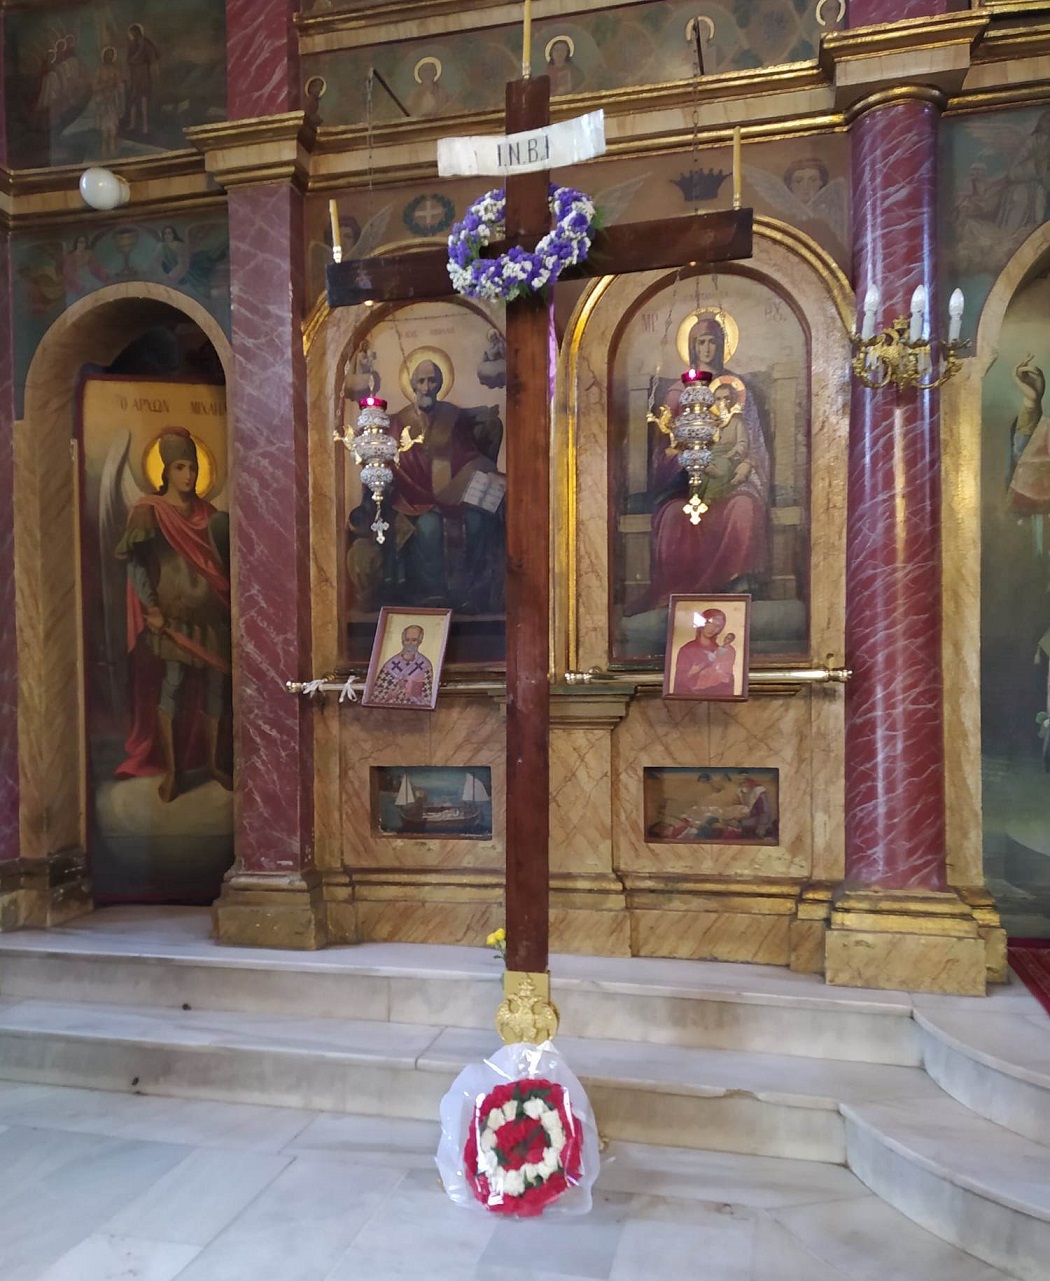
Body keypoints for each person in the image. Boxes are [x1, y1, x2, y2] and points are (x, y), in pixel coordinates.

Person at [116, 428, 231, 802]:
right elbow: (136, 564)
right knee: (174, 685)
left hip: (211, 616)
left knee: (217, 687)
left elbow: (222, 565)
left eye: (193, 468)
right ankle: (173, 771)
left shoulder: (209, 514)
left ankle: (214, 764)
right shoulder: (149, 511)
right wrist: (151, 607)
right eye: (180, 467)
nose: (189, 475)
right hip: (172, 616)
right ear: (165, 470)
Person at [629, 315, 770, 614]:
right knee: (675, 517)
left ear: (722, 345)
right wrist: (687, 462)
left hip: (730, 481)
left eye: (712, 342)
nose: (706, 348)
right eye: (701, 342)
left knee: (744, 508)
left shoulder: (737, 389)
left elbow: (752, 440)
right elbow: (665, 448)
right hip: (685, 484)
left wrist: (746, 464)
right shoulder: (677, 393)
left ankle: (735, 586)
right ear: (692, 347)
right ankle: (678, 593)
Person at [386, 357, 504, 611]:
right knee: (428, 528)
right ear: (412, 385)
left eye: (432, 381)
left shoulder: (451, 416)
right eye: (421, 381)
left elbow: (467, 453)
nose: (426, 387)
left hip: (453, 494)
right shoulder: (399, 421)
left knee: (475, 522)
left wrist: (485, 469)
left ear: (440, 384)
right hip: (414, 499)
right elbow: (394, 463)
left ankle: (468, 594)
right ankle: (431, 594)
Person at [672, 608, 738, 697]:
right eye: (711, 623)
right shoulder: (687, 650)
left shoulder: (720, 651)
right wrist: (691, 672)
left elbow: (727, 679)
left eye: (718, 626)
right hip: (691, 699)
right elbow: (679, 683)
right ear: (702, 622)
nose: (713, 629)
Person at [370, 625, 434, 706]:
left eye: (414, 640)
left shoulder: (425, 666)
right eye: (407, 640)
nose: (410, 644)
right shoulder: (390, 665)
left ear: (420, 642)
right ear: (402, 641)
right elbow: (376, 694)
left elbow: (427, 697)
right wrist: (393, 693)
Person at [126, 23, 159, 135]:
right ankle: (132, 124)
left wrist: (154, 69)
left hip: (143, 73)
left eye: (132, 33)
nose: (131, 35)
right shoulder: (132, 44)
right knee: (133, 99)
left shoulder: (145, 43)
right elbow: (129, 60)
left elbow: (153, 57)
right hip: (135, 73)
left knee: (144, 98)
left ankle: (145, 126)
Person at [91, 47, 124, 160]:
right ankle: (104, 150)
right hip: (103, 102)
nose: (109, 57)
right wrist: (105, 85)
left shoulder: (116, 70)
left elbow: (120, 86)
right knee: (105, 129)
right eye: (107, 55)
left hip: (113, 102)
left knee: (113, 126)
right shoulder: (100, 70)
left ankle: (112, 149)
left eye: (111, 55)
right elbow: (94, 87)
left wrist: (117, 86)